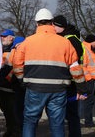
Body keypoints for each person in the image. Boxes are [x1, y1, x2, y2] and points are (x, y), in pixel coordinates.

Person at [13, 8, 88, 137]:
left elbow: (17, 65)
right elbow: (75, 68)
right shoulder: (65, 42)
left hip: (34, 88)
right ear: (51, 22)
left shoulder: (28, 42)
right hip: (58, 90)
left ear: (37, 23)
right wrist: (82, 88)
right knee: (57, 124)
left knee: (30, 121)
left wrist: (22, 81)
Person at [53, 15, 84, 136]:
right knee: (70, 113)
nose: (53, 28)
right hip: (71, 80)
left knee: (71, 114)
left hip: (70, 82)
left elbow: (71, 62)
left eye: (54, 26)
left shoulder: (69, 40)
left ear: (61, 26)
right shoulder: (71, 37)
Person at [0, 29, 16, 137]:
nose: (2, 38)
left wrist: (5, 79)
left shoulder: (14, 51)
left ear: (11, 38)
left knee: (12, 111)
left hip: (10, 87)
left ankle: (14, 132)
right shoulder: (1, 51)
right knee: (6, 111)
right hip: (1, 87)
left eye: (5, 36)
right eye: (2, 36)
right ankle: (10, 130)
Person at [81, 34, 95, 127]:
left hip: (92, 79)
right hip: (90, 80)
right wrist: (89, 78)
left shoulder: (91, 49)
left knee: (91, 102)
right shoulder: (85, 49)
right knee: (89, 102)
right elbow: (83, 66)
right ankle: (88, 122)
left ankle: (89, 121)